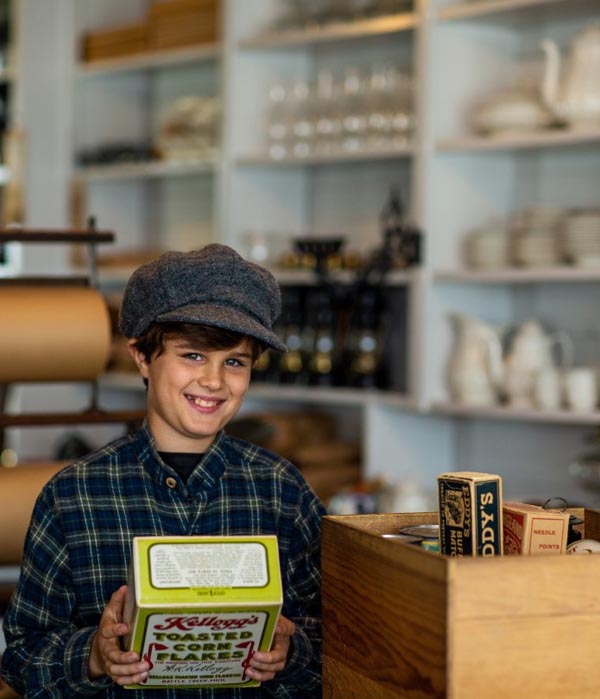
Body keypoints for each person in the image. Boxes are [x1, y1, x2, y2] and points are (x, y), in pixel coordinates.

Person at [1, 244, 326, 698]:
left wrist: (295, 651)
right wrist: (93, 656)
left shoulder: (282, 491)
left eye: (234, 361)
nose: (213, 380)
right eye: (193, 355)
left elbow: (343, 642)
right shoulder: (73, 496)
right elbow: (21, 659)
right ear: (141, 357)